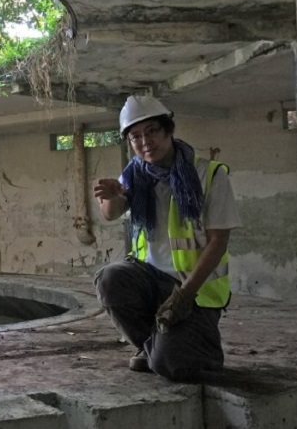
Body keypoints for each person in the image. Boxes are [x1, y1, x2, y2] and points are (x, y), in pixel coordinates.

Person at [92, 95, 241, 380]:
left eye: (152, 131)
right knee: (110, 278)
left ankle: (198, 352)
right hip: (150, 280)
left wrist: (185, 295)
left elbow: (218, 241)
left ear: (168, 130)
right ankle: (152, 346)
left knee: (171, 366)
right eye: (135, 136)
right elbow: (111, 213)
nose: (144, 141)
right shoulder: (135, 174)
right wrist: (111, 197)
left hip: (194, 290)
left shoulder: (209, 175)